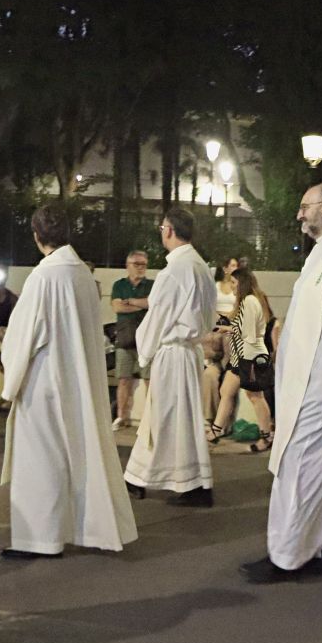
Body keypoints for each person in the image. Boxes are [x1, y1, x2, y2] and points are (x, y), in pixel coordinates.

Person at [240, 183, 322, 583]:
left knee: (302, 467)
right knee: (309, 467)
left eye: (304, 207)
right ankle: (321, 546)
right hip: (308, 383)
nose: (299, 215)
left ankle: (289, 555)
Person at [0, 203, 138, 559]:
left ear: (36, 236)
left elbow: (22, 334)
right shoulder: (82, 275)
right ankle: (81, 527)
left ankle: (40, 538)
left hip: (45, 381)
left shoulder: (44, 277)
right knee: (78, 453)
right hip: (80, 379)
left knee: (40, 459)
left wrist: (10, 379)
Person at [123, 209, 217, 507]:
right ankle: (186, 482)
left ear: (168, 230)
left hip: (173, 353)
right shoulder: (200, 266)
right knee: (179, 420)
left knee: (162, 418)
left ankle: (153, 480)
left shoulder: (174, 271)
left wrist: (145, 349)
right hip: (189, 352)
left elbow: (159, 314)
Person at [208, 269, 275, 454]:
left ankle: (266, 436)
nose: (232, 287)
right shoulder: (247, 301)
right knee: (226, 390)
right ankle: (215, 431)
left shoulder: (250, 301)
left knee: (255, 397)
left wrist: (227, 329)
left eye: (235, 283)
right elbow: (237, 321)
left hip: (251, 357)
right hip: (241, 357)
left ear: (243, 283)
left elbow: (249, 333)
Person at [110, 251, 152, 430]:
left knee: (149, 379)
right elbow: (116, 306)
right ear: (128, 265)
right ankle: (121, 416)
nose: (141, 267)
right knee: (123, 379)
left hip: (147, 339)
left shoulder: (152, 285)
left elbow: (152, 304)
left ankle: (150, 418)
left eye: (143, 264)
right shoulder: (119, 285)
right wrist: (140, 304)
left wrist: (130, 301)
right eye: (137, 264)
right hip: (125, 337)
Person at [214, 256, 240, 320]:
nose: (236, 268)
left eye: (237, 266)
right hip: (215, 321)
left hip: (233, 321)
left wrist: (227, 319)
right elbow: (209, 306)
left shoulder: (238, 286)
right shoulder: (215, 286)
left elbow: (239, 307)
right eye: (233, 266)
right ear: (225, 269)